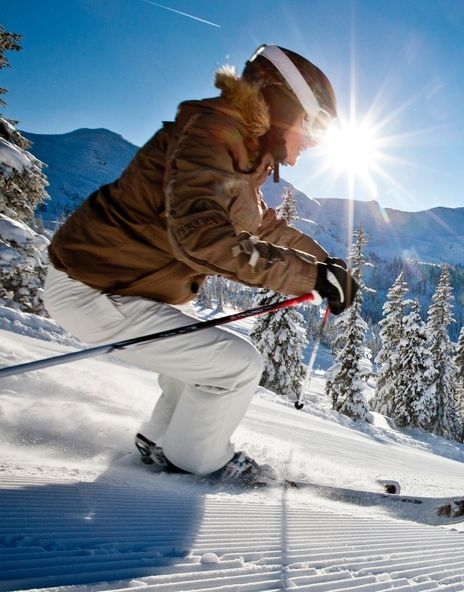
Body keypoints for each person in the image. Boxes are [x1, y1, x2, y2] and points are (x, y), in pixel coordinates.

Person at [42, 44, 358, 485]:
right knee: (235, 366)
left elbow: (259, 224)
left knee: (196, 367)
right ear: (283, 104)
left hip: (124, 286)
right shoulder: (210, 135)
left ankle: (160, 442)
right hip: (96, 287)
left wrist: (324, 265)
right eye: (314, 126)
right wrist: (308, 276)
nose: (311, 143)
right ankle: (198, 461)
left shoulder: (238, 149)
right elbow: (202, 238)